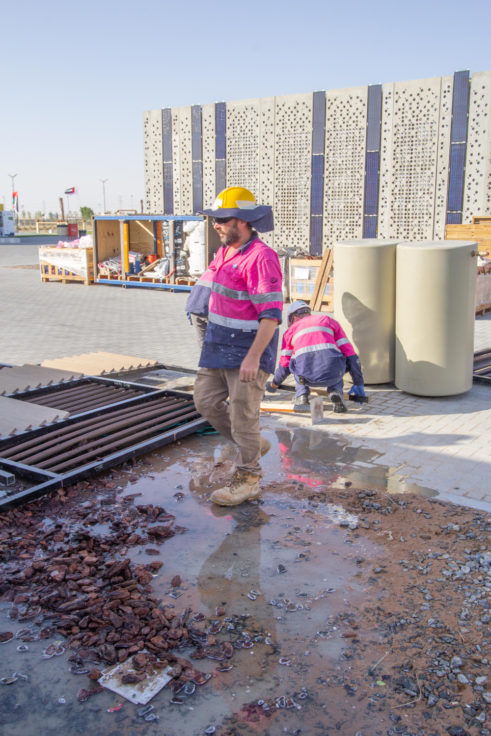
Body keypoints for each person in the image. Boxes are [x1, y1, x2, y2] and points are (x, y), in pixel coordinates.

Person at [193, 186, 283, 506]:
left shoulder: (262, 258)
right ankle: (253, 444)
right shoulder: (225, 251)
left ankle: (248, 478)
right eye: (214, 219)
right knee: (205, 401)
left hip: (247, 352)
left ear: (243, 221)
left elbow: (271, 316)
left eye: (222, 219)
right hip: (218, 347)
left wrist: (254, 358)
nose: (216, 224)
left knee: (243, 416)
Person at [266, 300, 366, 413]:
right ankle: (335, 392)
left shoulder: (290, 332)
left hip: (306, 377)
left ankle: (302, 396)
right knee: (337, 361)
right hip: (333, 375)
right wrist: (358, 383)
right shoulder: (328, 320)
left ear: (292, 317)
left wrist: (274, 385)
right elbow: (351, 355)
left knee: (295, 363)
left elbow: (284, 366)